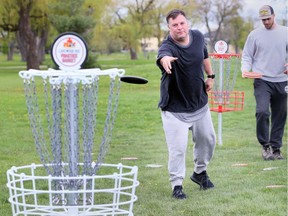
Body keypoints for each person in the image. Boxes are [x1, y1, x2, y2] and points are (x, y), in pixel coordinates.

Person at [156, 9, 216, 199]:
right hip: (175, 109)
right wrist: (165, 60)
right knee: (178, 149)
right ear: (169, 27)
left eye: (182, 23)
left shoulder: (198, 36)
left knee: (208, 140)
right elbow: (162, 56)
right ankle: (177, 186)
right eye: (175, 25)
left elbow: (204, 55)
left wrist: (211, 76)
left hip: (199, 103)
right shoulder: (167, 46)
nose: (179, 27)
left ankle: (199, 173)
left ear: (187, 23)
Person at [241, 5, 288, 160]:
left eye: (268, 18)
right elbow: (247, 55)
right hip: (262, 79)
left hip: (282, 80)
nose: (266, 22)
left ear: (274, 16)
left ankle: (276, 148)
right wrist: (245, 69)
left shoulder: (285, 32)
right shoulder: (255, 35)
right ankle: (265, 146)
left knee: (280, 114)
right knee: (262, 111)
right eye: (263, 20)